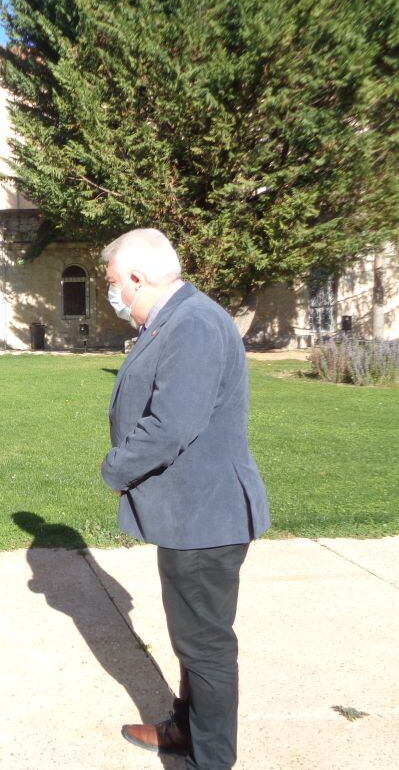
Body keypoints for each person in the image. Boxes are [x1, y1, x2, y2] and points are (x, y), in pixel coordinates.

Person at [99, 229, 270, 769]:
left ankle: (211, 758)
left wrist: (115, 467)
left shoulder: (193, 323)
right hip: (193, 514)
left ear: (136, 277)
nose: (114, 296)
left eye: (113, 285)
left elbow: (173, 425)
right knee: (193, 637)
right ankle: (186, 730)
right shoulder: (177, 317)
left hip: (206, 515)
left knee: (206, 646)